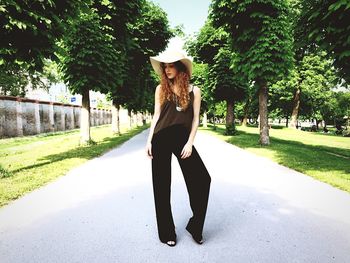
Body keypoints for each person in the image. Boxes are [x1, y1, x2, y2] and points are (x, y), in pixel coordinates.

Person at [145, 50, 211, 247]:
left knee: (202, 179)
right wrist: (149, 141)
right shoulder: (160, 89)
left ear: (180, 67)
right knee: (161, 185)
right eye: (165, 67)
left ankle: (195, 226)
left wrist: (190, 142)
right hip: (161, 137)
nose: (167, 70)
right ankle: (167, 233)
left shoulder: (194, 90)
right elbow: (156, 116)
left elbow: (196, 119)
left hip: (182, 138)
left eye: (171, 65)